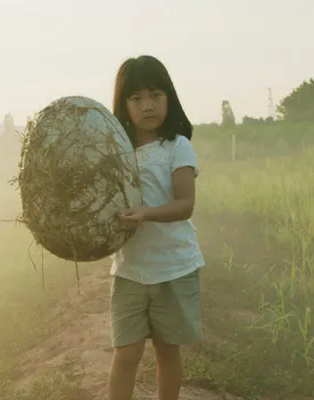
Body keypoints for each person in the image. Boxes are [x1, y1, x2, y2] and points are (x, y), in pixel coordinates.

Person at [108, 54, 205, 400]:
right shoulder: (116, 153)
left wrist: (145, 214)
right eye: (136, 98)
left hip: (173, 268)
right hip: (130, 271)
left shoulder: (177, 147)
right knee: (126, 353)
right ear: (123, 105)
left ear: (170, 98)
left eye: (155, 95)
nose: (147, 105)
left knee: (167, 353)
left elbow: (184, 204)